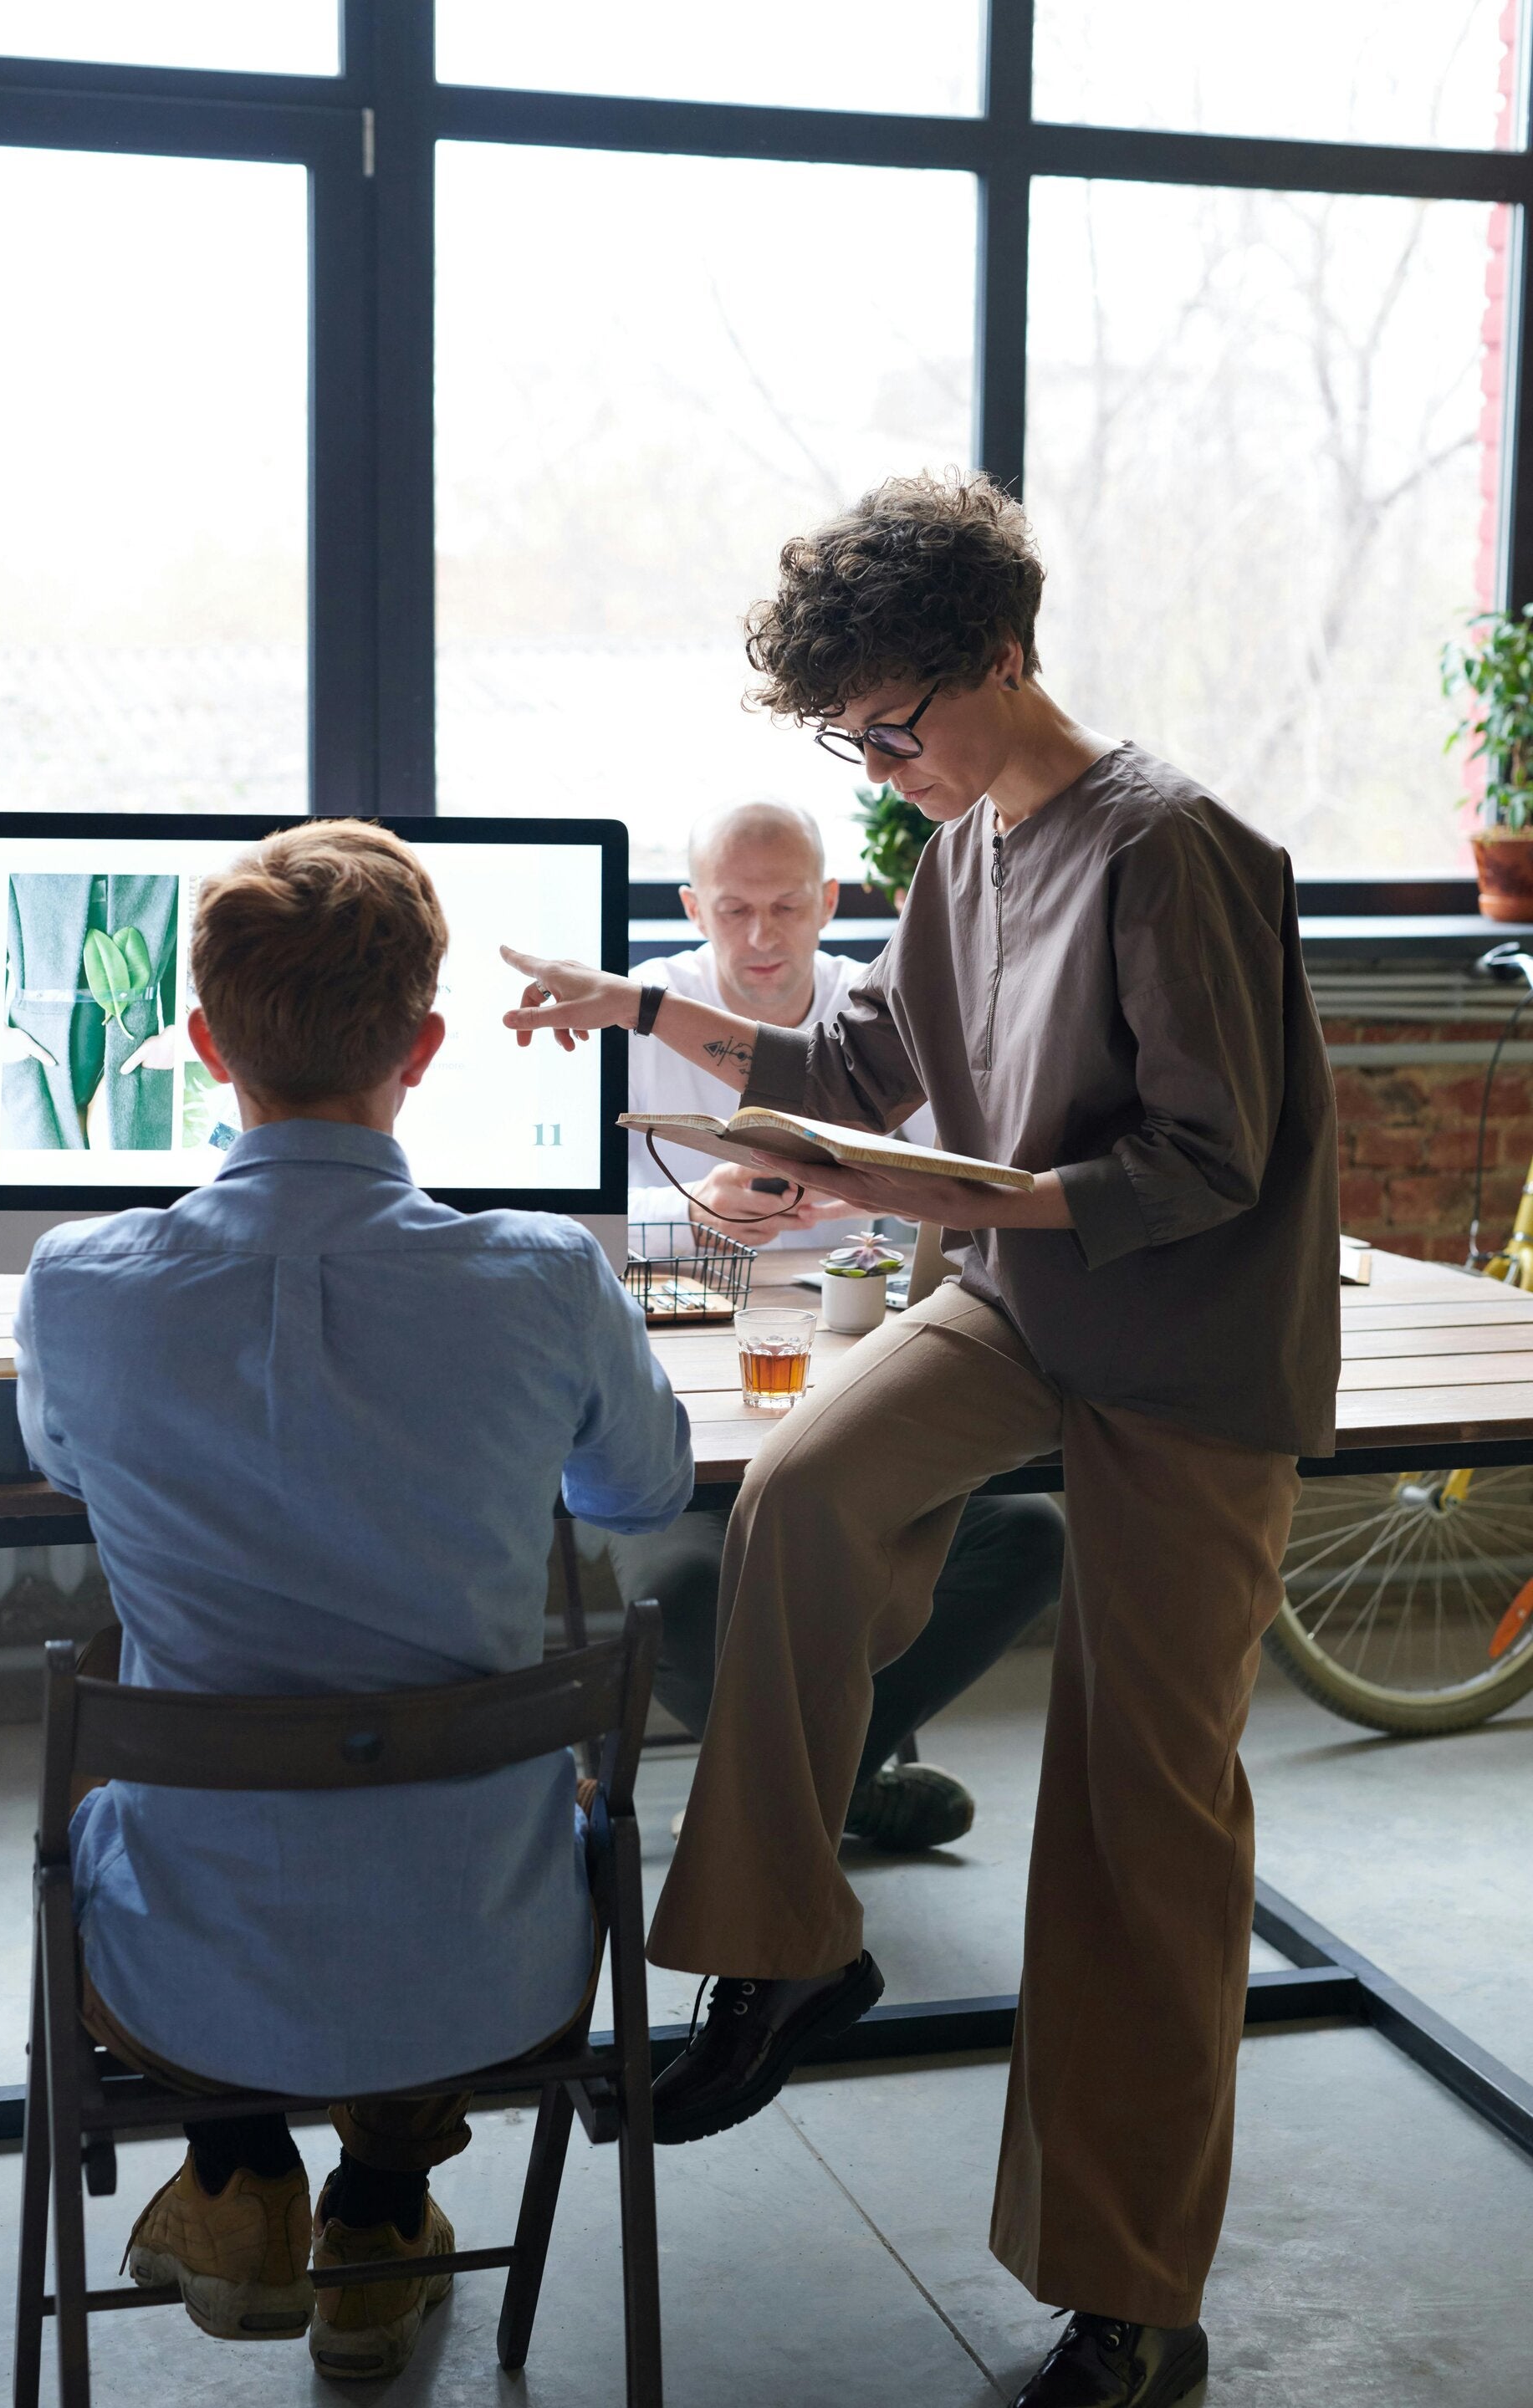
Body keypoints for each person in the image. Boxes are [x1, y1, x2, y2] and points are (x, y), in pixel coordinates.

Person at [503, 470, 1339, 2408]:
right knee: (801, 1491)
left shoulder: (1172, 847)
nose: (884, 768)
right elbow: (865, 1065)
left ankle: (1132, 2302)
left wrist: (953, 1189)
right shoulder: (963, 851)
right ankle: (788, 1947)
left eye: (895, 727)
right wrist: (642, 1007)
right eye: (852, 743)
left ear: (1002, 655)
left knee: (1137, 1820)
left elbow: (1207, 1161)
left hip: (1189, 1351)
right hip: (1025, 1301)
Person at [15, 822, 692, 2382]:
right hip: (496, 1967)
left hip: (177, 1982)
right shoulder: (544, 1275)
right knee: (448, 1789)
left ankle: (239, 2171)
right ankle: (380, 2216)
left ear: (205, 1046)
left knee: (142, 1775)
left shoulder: (78, 1281)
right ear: (425, 1048)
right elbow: (640, 1495)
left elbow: (59, 1458)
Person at [619, 795, 1065, 1852]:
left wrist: (881, 1194)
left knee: (1031, 1538)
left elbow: (964, 1190)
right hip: (684, 1390)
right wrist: (695, 1209)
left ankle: (796, 1789)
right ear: (692, 908)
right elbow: (572, 1229)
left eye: (786, 907)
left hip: (862, 1369)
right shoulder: (644, 1015)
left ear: (828, 901)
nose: (761, 937)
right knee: (683, 1587)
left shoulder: (884, 1016)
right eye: (734, 910)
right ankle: (834, 1789)